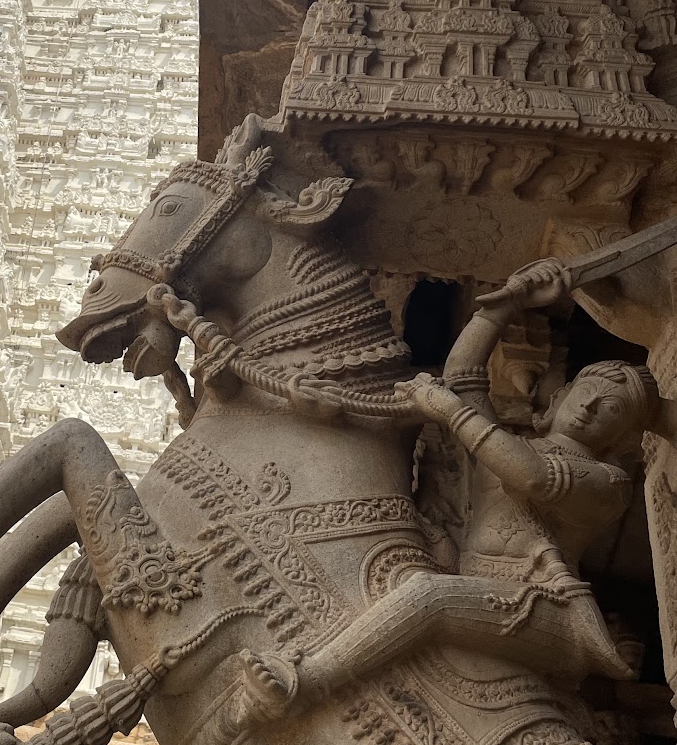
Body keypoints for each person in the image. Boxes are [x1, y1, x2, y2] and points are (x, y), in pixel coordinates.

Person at [257, 258, 660, 716]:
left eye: (610, 409)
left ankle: (306, 681)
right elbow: (464, 376)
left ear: (622, 437)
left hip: (546, 607)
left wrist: (451, 414)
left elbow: (531, 477)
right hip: (469, 567)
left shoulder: (609, 483)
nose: (589, 408)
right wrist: (507, 305)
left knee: (430, 597)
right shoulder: (513, 444)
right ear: (560, 396)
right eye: (585, 393)